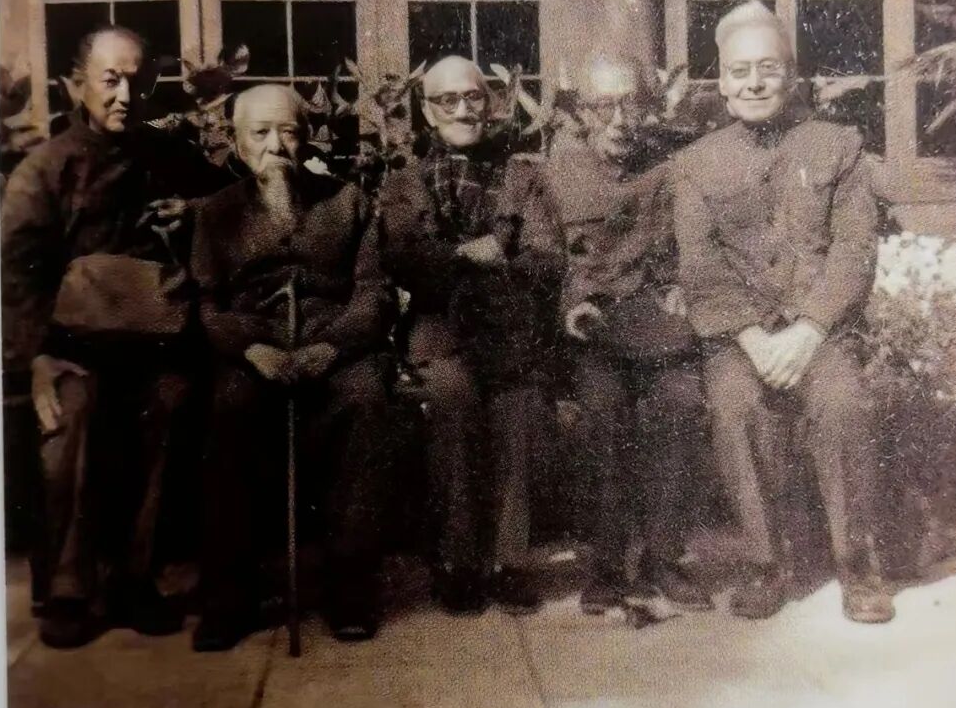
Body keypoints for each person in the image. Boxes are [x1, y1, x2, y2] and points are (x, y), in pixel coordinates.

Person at [0, 26, 226, 648]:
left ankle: (135, 579)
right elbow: (16, 276)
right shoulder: (44, 169)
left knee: (170, 400)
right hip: (70, 346)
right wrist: (37, 358)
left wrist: (195, 213)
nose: (126, 95)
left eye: (137, 81)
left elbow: (233, 202)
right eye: (110, 80)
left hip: (155, 342)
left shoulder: (168, 155)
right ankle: (68, 588)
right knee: (70, 414)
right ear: (77, 85)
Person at [671, 0, 892, 623]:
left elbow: (854, 249)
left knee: (841, 403)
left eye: (768, 68)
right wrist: (754, 338)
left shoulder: (837, 147)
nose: (754, 83)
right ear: (721, 83)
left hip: (822, 333)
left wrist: (810, 329)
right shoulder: (695, 165)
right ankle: (768, 565)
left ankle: (858, 568)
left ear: (791, 77)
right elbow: (700, 263)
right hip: (740, 337)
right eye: (739, 71)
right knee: (735, 405)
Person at [189, 84, 393, 649]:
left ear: (307, 138)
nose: (275, 146)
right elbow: (207, 306)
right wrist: (252, 350)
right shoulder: (216, 213)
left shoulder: (348, 202)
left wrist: (333, 347)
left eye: (289, 132)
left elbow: (373, 295)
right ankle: (230, 598)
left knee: (365, 400)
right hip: (255, 348)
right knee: (230, 408)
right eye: (260, 133)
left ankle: (350, 589)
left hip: (334, 344)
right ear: (236, 142)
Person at [378, 56, 564, 615]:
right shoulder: (405, 183)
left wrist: (491, 258)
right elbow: (404, 259)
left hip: (510, 325)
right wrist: (473, 253)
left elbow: (547, 258)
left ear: (491, 103)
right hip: (440, 329)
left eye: (474, 97)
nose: (463, 110)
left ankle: (509, 563)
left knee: (518, 406)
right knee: (453, 399)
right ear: (427, 111)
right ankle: (457, 562)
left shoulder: (524, 177)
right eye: (447, 100)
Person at [549, 57, 709, 616]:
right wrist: (572, 303)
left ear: (651, 108)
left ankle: (663, 559)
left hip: (661, 324)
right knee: (601, 409)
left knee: (681, 400)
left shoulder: (674, 168)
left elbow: (700, 244)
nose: (619, 120)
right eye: (602, 107)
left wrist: (686, 286)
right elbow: (548, 257)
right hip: (596, 329)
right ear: (580, 113)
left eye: (632, 104)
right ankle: (607, 565)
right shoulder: (557, 173)